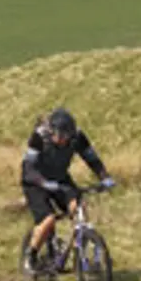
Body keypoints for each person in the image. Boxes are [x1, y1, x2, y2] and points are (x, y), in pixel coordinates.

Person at [21, 107, 114, 258]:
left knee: (78, 207)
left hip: (60, 178)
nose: (64, 140)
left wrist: (105, 177)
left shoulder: (77, 137)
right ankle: (30, 257)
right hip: (35, 182)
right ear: (52, 131)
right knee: (48, 220)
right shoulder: (39, 137)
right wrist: (44, 183)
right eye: (60, 136)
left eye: (67, 136)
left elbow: (91, 159)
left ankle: (81, 248)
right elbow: (28, 168)